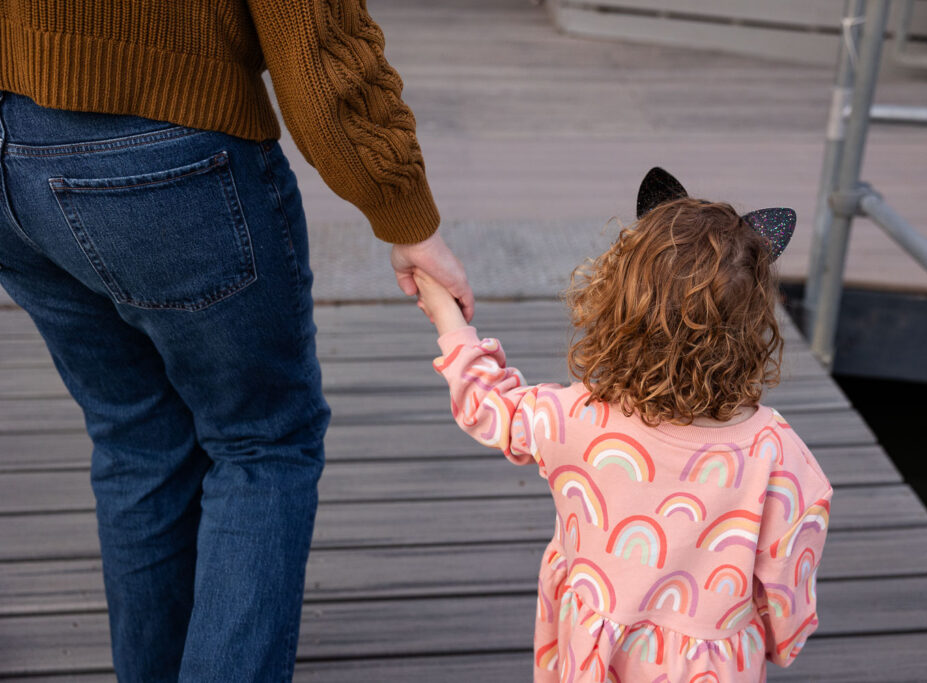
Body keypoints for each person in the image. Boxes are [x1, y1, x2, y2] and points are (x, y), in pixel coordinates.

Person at [0, 1, 471, 680]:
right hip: (163, 154)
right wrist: (405, 211)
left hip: (11, 160)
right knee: (263, 443)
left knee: (136, 437)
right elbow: (317, 40)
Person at [413, 168, 833, 682]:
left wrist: (445, 315)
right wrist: (777, 638)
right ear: (752, 329)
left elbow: (488, 405)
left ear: (618, 308)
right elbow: (786, 577)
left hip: (596, 655)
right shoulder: (776, 452)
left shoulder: (576, 418)